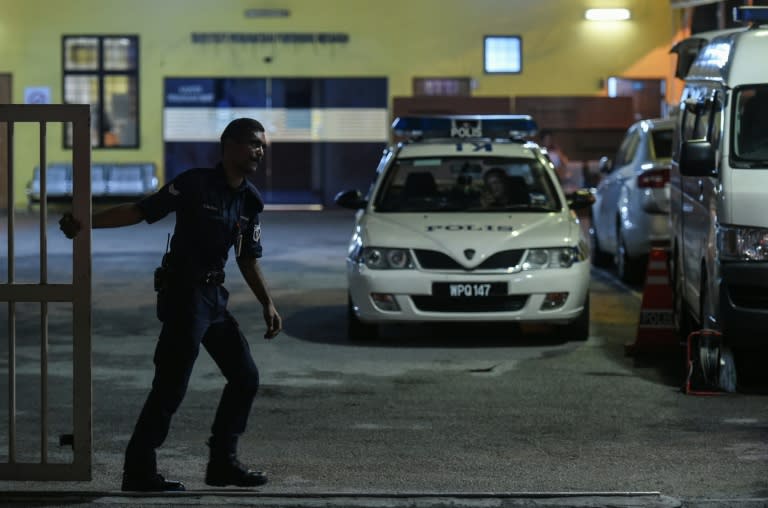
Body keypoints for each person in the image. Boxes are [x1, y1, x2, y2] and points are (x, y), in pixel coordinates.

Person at [59, 117, 282, 492]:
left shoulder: (250, 201)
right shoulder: (194, 184)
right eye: (252, 143)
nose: (260, 150)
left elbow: (247, 258)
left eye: (263, 144)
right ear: (228, 146)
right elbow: (141, 210)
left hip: (214, 300)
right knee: (170, 386)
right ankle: (139, 471)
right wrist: (87, 223)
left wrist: (268, 303)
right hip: (183, 297)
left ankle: (222, 464)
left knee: (245, 377)